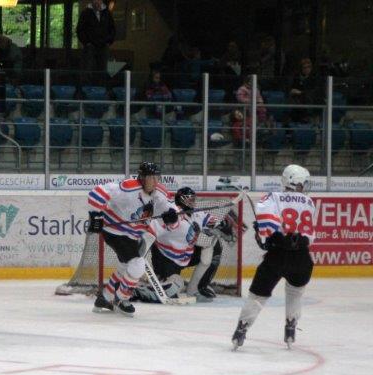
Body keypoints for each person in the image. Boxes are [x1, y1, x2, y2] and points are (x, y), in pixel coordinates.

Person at [232, 164, 316, 350]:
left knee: (257, 295)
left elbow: (266, 231)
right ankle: (291, 326)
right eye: (304, 183)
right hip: (302, 258)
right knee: (295, 292)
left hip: (277, 256)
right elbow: (307, 236)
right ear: (296, 182)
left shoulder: (272, 197)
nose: (305, 187)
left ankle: (241, 329)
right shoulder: (309, 202)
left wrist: (264, 235)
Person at [86, 162, 175, 317]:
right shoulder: (128, 188)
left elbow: (168, 211)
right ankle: (121, 299)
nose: (155, 181)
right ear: (142, 177)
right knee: (137, 264)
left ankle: (105, 298)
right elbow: (96, 193)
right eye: (151, 177)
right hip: (115, 231)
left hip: (133, 235)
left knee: (125, 266)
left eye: (157, 177)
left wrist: (171, 216)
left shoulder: (159, 192)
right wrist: (96, 215)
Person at [133, 187, 231, 303]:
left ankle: (197, 288)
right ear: (181, 200)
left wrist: (222, 226)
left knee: (214, 249)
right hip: (166, 260)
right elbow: (151, 229)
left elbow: (212, 222)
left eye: (193, 199)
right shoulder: (172, 212)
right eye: (189, 199)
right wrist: (140, 250)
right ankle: (138, 292)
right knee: (173, 288)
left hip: (187, 256)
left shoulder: (197, 214)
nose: (192, 202)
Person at [76, 0, 116, 84]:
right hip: (90, 47)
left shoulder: (107, 13)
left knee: (105, 68)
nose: (98, 3)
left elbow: (112, 29)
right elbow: (80, 30)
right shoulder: (85, 13)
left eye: (99, 1)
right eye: (96, 1)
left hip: (104, 46)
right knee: (89, 68)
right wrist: (87, 42)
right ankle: (88, 88)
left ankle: (103, 87)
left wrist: (108, 41)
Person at [288, 57, 321, 123]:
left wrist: (301, 92)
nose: (307, 69)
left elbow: (315, 91)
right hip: (297, 100)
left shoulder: (314, 78)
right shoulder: (297, 77)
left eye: (308, 67)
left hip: (310, 100)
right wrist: (292, 91)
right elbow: (292, 88)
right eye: (304, 67)